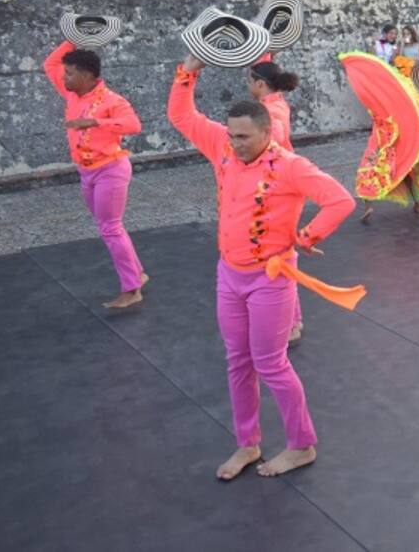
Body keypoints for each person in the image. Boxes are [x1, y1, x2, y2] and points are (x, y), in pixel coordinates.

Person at [168, 56, 357, 481]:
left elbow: (340, 199)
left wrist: (307, 237)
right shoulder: (222, 147)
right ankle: (248, 443)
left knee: (270, 363)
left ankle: (301, 444)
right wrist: (188, 69)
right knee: (237, 360)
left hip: (270, 278)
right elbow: (181, 114)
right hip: (228, 275)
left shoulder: (289, 166)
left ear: (268, 133)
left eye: (245, 138)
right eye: (232, 136)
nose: (235, 144)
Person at [43, 40, 146, 310]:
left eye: (70, 73)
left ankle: (132, 289)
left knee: (110, 228)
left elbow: (134, 125)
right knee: (109, 227)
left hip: (111, 170)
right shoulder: (71, 94)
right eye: (65, 73)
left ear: (87, 76)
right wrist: (73, 37)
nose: (63, 77)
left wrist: (96, 121)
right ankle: (137, 274)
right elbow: (50, 64)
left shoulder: (112, 100)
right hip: (86, 172)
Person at [247, 60, 305, 342]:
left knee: (280, 256)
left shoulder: (268, 110)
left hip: (278, 187)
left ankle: (291, 322)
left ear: (259, 84)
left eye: (249, 80)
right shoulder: (278, 102)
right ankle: (292, 320)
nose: (247, 86)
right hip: (280, 184)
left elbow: (278, 139)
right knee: (279, 255)